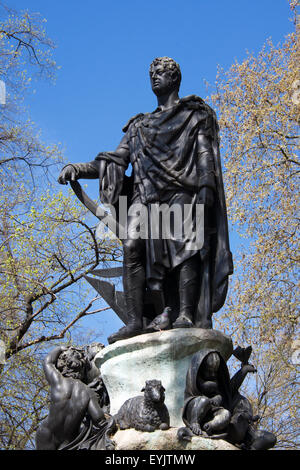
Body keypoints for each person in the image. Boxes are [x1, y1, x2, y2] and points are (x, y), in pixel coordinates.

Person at [58, 57, 233, 343]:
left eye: (161, 72)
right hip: (146, 196)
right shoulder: (140, 125)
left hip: (183, 191)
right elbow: (115, 160)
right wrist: (78, 168)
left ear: (175, 78)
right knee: (131, 247)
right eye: (151, 73)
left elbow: (204, 155)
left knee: (186, 247)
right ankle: (134, 321)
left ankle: (186, 314)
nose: (154, 76)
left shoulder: (194, 114)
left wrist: (206, 190)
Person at [35, 346, 106, 450]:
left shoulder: (58, 381)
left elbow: (48, 362)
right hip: (68, 441)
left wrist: (60, 348)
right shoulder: (89, 392)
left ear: (63, 365)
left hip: (46, 434)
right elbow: (99, 418)